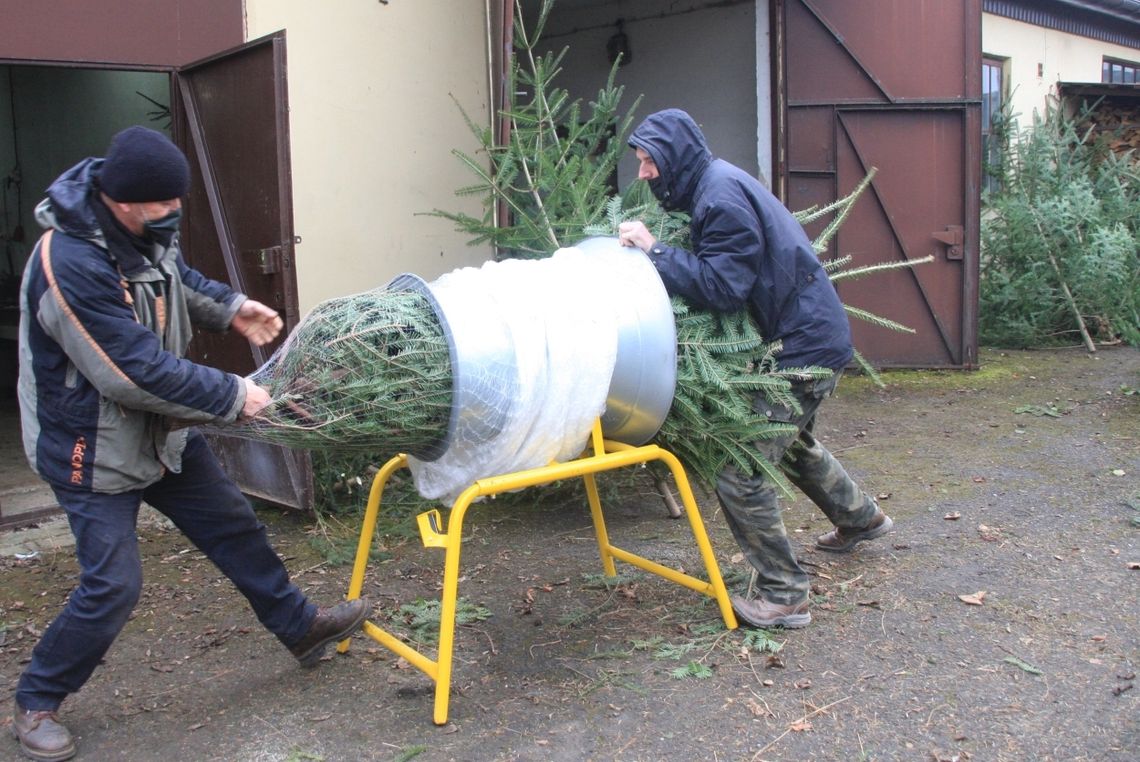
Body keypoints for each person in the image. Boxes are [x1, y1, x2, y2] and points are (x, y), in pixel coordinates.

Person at [13, 126, 368, 761]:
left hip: (162, 434)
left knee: (234, 525)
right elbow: (129, 371)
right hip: (91, 446)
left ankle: (300, 628)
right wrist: (234, 396)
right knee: (113, 583)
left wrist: (229, 307)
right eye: (163, 204)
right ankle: (37, 699)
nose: (175, 212)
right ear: (123, 200)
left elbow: (178, 278)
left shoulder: (141, 231)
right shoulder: (67, 262)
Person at [617, 109, 892, 630]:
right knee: (787, 444)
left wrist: (655, 250)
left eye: (649, 161)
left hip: (803, 346)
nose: (643, 173)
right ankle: (860, 518)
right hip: (811, 333)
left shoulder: (718, 199)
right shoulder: (714, 183)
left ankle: (785, 594)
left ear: (672, 157)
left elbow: (723, 288)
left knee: (741, 465)